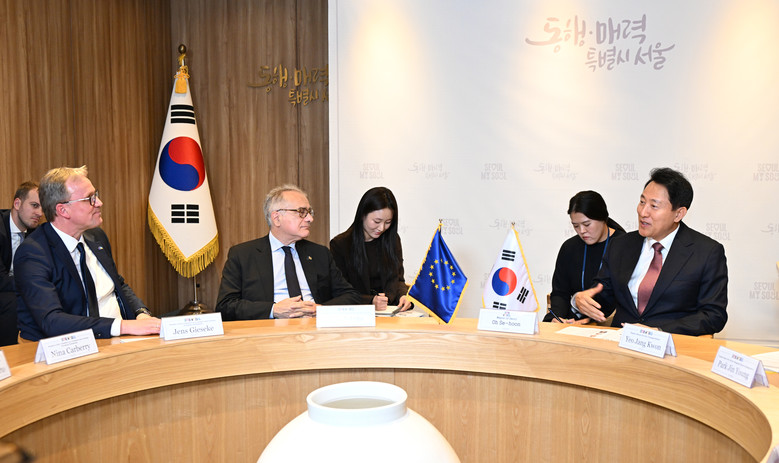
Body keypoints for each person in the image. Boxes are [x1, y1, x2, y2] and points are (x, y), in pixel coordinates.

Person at [573, 167, 728, 336]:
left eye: (654, 206)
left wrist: (660, 332)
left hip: (672, 344)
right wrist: (580, 300)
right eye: (642, 202)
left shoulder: (706, 252)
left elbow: (714, 315)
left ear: (678, 214)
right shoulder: (620, 245)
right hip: (620, 342)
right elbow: (603, 297)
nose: (643, 212)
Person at [14, 166, 160, 341]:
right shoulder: (32, 254)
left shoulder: (95, 237)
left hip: (121, 340)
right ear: (63, 210)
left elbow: (118, 284)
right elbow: (52, 321)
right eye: (89, 198)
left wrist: (141, 313)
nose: (99, 203)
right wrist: (122, 326)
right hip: (72, 346)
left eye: (95, 195)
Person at [216, 184, 360, 320]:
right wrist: (273, 310)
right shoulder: (243, 255)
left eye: (309, 212)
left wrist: (320, 310)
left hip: (314, 327)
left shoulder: (319, 253)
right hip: (269, 330)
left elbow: (350, 296)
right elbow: (225, 306)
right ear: (277, 218)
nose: (310, 219)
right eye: (301, 212)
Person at [543, 191, 625, 324]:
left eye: (587, 224)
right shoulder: (569, 247)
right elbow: (560, 293)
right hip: (572, 324)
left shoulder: (624, 246)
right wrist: (557, 319)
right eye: (576, 226)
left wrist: (590, 320)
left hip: (608, 324)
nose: (582, 231)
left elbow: (624, 300)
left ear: (603, 217)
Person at [329, 187, 412, 311]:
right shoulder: (340, 244)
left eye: (388, 222)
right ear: (362, 215)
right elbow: (340, 291)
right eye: (377, 221)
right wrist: (370, 301)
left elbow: (398, 279)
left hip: (390, 310)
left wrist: (403, 296)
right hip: (358, 311)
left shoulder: (392, 239)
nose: (381, 228)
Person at [0, 182, 43, 346]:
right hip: (6, 291)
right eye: (34, 205)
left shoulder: (38, 233)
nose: (40, 213)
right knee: (13, 301)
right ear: (17, 204)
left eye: (42, 207)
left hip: (17, 286)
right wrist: (32, 283)